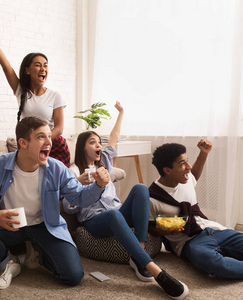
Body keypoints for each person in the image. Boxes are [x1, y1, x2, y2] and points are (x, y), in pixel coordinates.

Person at [0, 116, 110, 290]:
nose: (49, 142)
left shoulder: (56, 168)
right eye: (41, 137)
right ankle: (7, 263)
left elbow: (78, 198)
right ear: (23, 143)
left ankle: (39, 254)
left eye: (49, 136)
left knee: (72, 276)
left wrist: (99, 185)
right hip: (11, 225)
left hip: (45, 226)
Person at [62, 102, 188, 300]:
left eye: (99, 142)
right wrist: (78, 183)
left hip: (118, 213)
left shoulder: (104, 163)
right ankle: (151, 268)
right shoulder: (74, 170)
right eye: (92, 142)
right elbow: (68, 208)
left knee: (140, 188)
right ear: (82, 147)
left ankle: (140, 250)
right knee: (112, 214)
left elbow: (114, 137)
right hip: (95, 221)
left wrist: (121, 113)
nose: (98, 145)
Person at [149, 139, 243, 282]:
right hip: (189, 242)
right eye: (182, 164)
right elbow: (150, 227)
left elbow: (194, 176)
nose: (188, 167)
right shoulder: (152, 198)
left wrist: (203, 153)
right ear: (167, 170)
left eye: (187, 161)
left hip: (214, 229)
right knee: (214, 264)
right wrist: (165, 231)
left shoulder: (185, 178)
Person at [0, 12, 70, 167]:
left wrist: (41, 141)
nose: (43, 68)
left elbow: (59, 128)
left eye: (45, 65)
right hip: (30, 148)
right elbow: (5, 64)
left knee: (57, 189)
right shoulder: (21, 90)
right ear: (27, 70)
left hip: (54, 146)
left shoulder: (55, 96)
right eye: (38, 64)